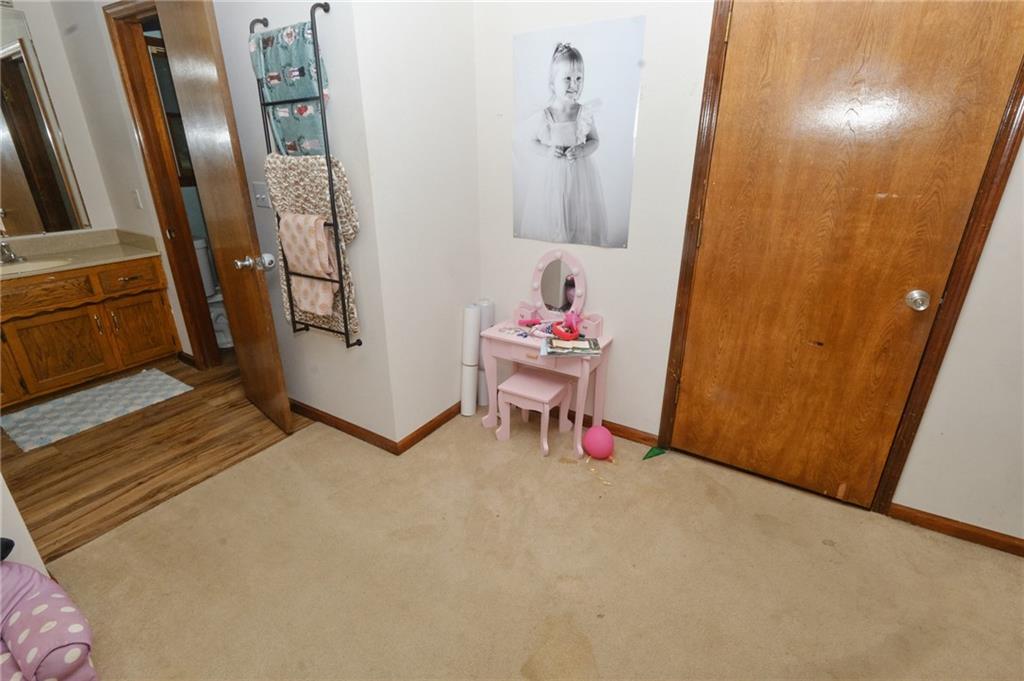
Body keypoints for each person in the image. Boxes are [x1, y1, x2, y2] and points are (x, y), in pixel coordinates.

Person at [518, 43, 608, 246]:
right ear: (552, 82)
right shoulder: (545, 115)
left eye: (579, 78)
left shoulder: (584, 113)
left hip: (579, 176)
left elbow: (595, 140)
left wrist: (583, 149)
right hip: (552, 177)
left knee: (577, 212)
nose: (574, 84)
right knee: (554, 212)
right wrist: (548, 150)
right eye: (567, 78)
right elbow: (531, 142)